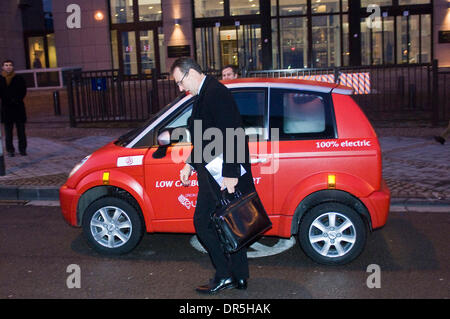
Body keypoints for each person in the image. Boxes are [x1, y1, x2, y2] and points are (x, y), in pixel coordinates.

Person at [172, 58, 255, 294]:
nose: (180, 88)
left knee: (205, 222)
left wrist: (230, 173)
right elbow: (205, 138)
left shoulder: (216, 93)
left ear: (190, 73)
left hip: (221, 174)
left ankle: (224, 274)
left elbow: (234, 133)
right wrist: (189, 164)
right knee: (230, 220)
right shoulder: (204, 94)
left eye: (180, 82)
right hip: (213, 172)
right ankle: (239, 276)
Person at [0, 60, 27, 157]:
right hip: (6, 108)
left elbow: (23, 91)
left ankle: (22, 149)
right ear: (3, 67)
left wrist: (16, 99)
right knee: (8, 132)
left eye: (10, 65)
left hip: (18, 107)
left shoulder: (19, 78)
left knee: (21, 131)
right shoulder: (1, 79)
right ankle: (10, 150)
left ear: (13, 67)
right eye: (6, 65)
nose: (8, 67)